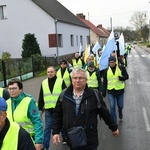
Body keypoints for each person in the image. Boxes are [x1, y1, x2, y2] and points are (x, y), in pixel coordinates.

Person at [52, 68, 119, 150]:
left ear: (86, 80)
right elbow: (57, 114)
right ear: (71, 79)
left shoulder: (94, 95)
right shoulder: (64, 95)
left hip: (89, 140)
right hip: (72, 139)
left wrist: (114, 128)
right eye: (75, 78)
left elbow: (105, 113)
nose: (77, 80)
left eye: (81, 78)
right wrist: (56, 132)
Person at [6, 78, 43, 150]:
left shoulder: (28, 101)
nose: (11, 91)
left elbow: (37, 121)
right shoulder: (7, 103)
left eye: (14, 88)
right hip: (13, 139)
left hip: (29, 139)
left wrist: (38, 141)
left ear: (21, 89)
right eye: (9, 89)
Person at [38, 66, 67, 150]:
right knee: (47, 128)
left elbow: (65, 94)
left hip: (59, 109)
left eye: (51, 72)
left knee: (61, 125)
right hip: (48, 109)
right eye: (48, 72)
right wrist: (40, 108)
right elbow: (41, 96)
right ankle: (45, 146)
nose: (50, 73)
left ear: (55, 72)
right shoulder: (44, 83)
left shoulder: (60, 81)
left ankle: (65, 137)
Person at [102, 56, 129, 124]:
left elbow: (127, 76)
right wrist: (103, 92)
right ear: (109, 63)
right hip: (111, 91)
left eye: (113, 62)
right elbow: (105, 82)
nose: (112, 64)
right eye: (110, 62)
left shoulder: (120, 68)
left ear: (115, 62)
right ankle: (114, 121)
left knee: (120, 106)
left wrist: (122, 78)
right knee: (112, 106)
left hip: (120, 90)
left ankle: (120, 112)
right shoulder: (106, 70)